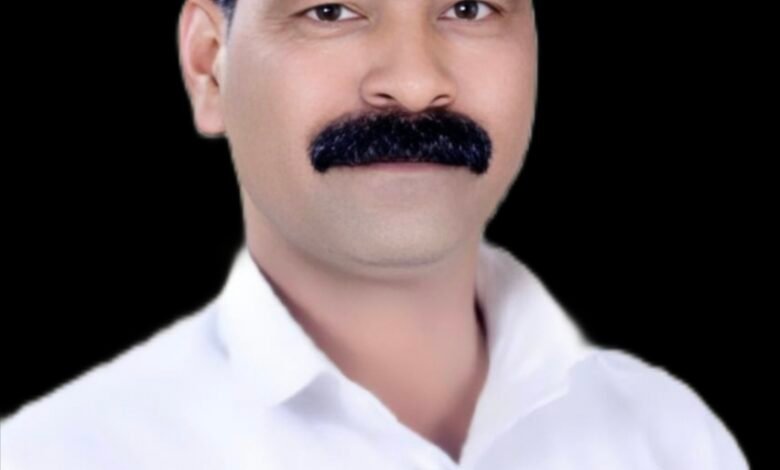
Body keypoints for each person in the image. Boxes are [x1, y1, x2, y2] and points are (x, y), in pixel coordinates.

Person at [0, 1, 750, 469]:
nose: (416, 84)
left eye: (468, 7)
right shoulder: (59, 457)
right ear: (209, 68)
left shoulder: (672, 440)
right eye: (330, 11)